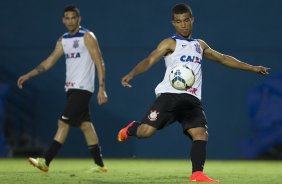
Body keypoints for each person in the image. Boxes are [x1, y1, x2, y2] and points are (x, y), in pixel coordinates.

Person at [117, 3, 270, 183]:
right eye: (179, 21)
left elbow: (223, 59)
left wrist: (252, 68)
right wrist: (132, 74)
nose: (183, 25)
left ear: (192, 20)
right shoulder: (170, 43)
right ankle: (132, 128)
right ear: (173, 23)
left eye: (186, 20)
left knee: (201, 133)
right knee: (145, 132)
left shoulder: (200, 45)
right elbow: (150, 60)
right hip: (169, 97)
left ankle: (197, 174)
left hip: (192, 99)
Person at [17, 5, 108, 173]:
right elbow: (49, 62)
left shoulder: (87, 37)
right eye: (67, 18)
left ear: (79, 19)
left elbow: (99, 62)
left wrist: (102, 88)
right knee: (86, 126)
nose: (70, 21)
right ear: (63, 20)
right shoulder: (63, 39)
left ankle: (45, 161)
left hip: (83, 88)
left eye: (73, 17)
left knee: (63, 123)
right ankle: (100, 165)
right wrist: (29, 75)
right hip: (71, 89)